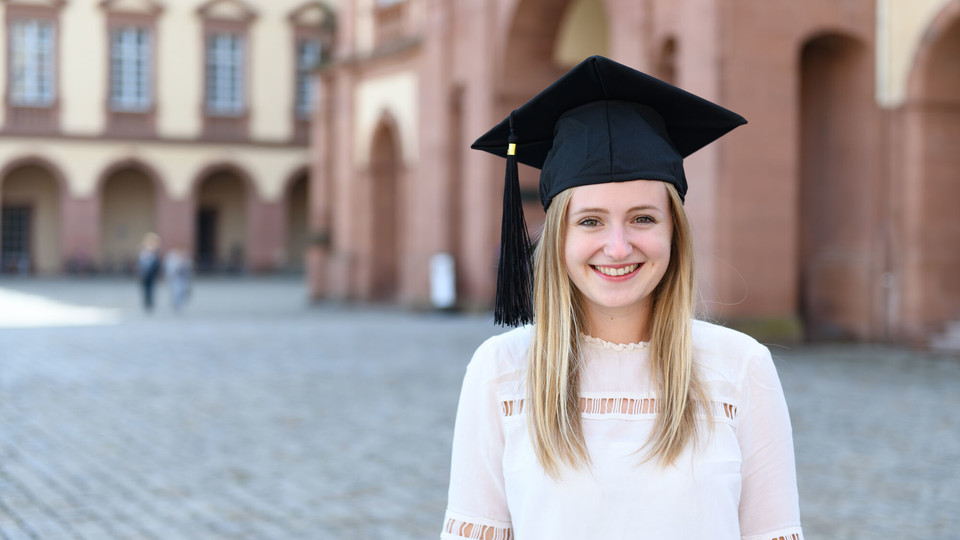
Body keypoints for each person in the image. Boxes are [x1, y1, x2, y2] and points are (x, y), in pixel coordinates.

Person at [442, 56, 803, 539]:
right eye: (590, 221)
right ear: (558, 239)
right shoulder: (502, 372)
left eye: (643, 218)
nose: (617, 247)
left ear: (675, 231)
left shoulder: (739, 369)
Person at [136, 232, 162, 313]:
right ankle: (146, 302)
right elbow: (140, 264)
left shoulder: (155, 253)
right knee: (145, 289)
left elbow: (157, 264)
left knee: (152, 289)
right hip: (144, 274)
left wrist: (158, 274)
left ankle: (150, 302)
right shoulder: (143, 252)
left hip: (152, 274)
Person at [163, 248, 193, 312]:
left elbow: (189, 270)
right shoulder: (173, 261)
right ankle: (176, 303)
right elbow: (170, 270)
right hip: (176, 279)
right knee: (176, 291)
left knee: (183, 292)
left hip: (183, 279)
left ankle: (180, 302)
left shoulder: (186, 261)